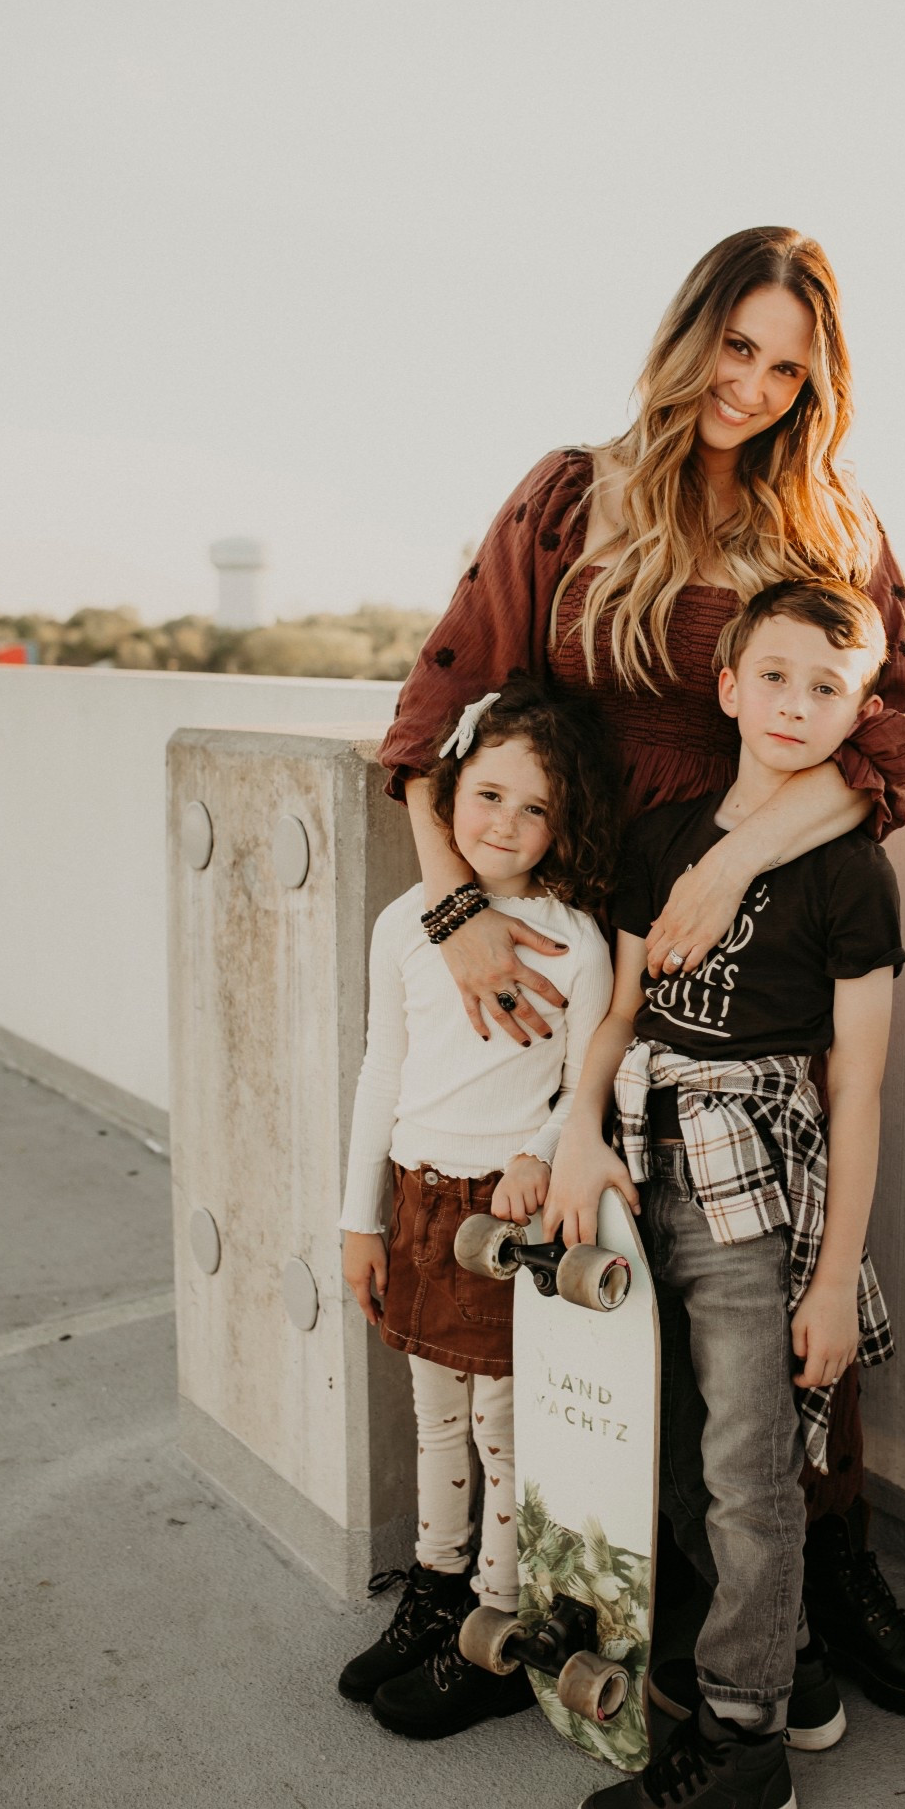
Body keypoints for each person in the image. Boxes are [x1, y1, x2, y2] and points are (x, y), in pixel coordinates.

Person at [376, 226, 905, 1719]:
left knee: (773, 1268)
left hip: (758, 946)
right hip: (584, 939)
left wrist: (728, 863)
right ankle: (495, 1596)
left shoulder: (834, 521)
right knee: (534, 1247)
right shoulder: (569, 494)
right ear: (688, 331)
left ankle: (825, 1570)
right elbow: (434, 716)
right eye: (736, 348)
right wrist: (455, 908)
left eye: (788, 367)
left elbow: (897, 738)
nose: (754, 388)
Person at [544, 579, 905, 1809]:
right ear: (728, 686)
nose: (798, 704)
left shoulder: (852, 871)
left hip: (753, 1174)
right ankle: (789, 1666)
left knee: (750, 1464)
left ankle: (746, 1745)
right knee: (679, 1437)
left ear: (860, 709)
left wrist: (834, 1273)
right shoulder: (663, 838)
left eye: (829, 686)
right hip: (644, 1153)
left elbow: (854, 1082)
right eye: (777, 676)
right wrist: (578, 1124)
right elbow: (624, 1004)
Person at [336, 677, 618, 1740]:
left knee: (504, 1429)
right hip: (413, 1201)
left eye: (532, 806)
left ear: (562, 822)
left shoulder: (576, 941)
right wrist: (356, 1218)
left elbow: (582, 1082)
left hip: (497, 1224)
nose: (501, 822)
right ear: (450, 790)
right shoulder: (408, 923)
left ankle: (498, 1625)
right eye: (485, 794)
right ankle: (436, 1589)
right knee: (435, 1416)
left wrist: (537, 1156)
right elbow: (382, 1067)